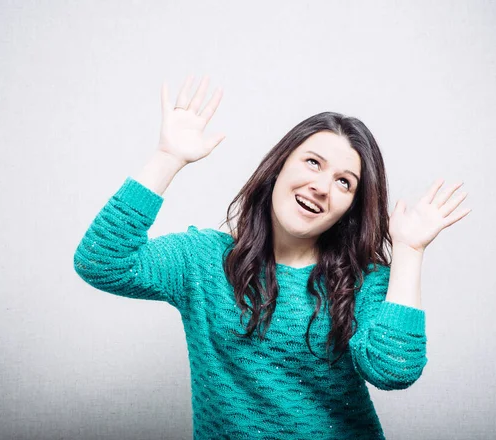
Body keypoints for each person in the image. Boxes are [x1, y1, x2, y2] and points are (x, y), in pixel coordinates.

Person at [73, 75, 471, 439]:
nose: (320, 186)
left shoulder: (363, 280)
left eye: (344, 183)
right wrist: (167, 157)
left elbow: (394, 370)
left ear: (350, 207)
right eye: (313, 162)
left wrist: (409, 251)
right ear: (279, 166)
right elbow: (101, 261)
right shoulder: (203, 260)